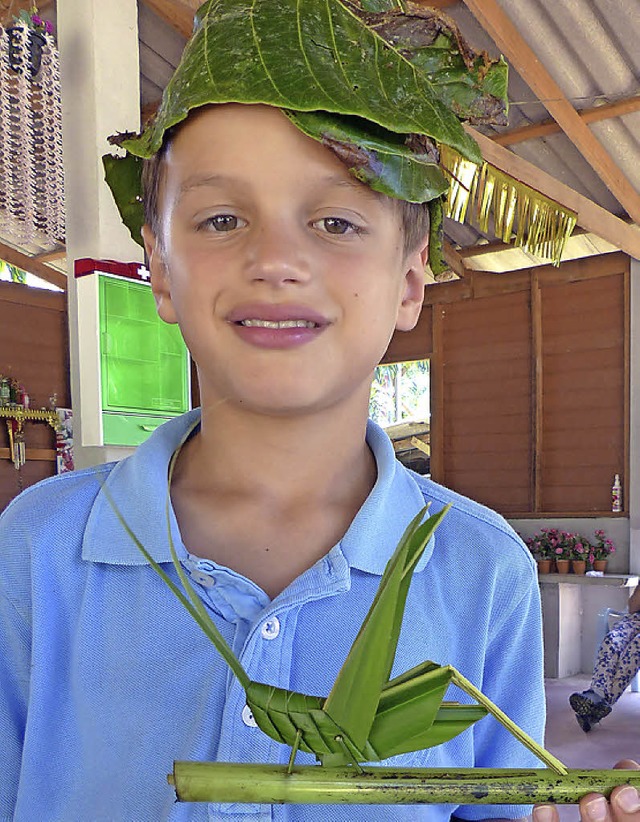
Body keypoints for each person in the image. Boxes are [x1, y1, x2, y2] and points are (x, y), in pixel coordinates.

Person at [0, 3, 638, 821]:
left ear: (410, 281)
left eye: (336, 221)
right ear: (158, 268)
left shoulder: (482, 568)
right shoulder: (38, 550)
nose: (275, 261)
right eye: (222, 220)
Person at [570, 585, 640, 732]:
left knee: (635, 647)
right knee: (612, 640)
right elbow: (633, 607)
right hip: (635, 619)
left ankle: (595, 702)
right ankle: (597, 698)